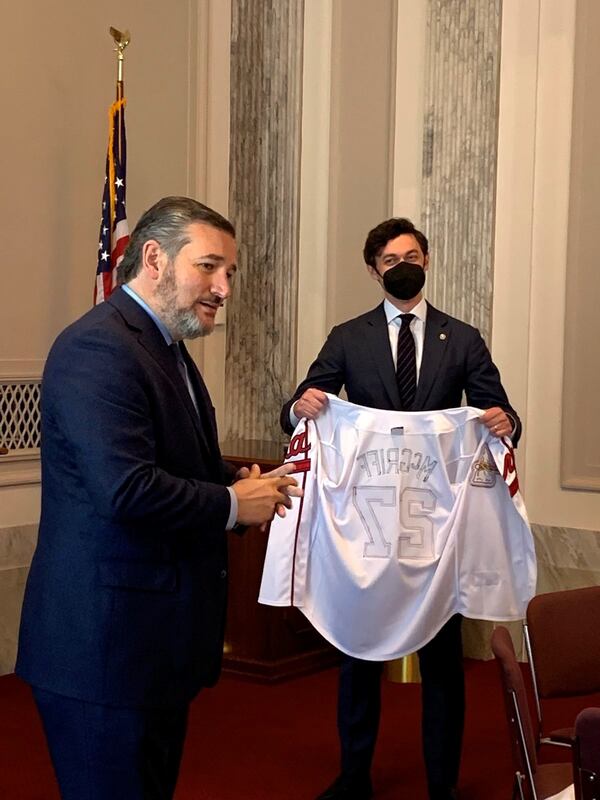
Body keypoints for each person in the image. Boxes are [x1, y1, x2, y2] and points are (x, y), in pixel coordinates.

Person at [16, 196, 299, 800]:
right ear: (153, 257)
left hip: (150, 648)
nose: (223, 287)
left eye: (230, 274)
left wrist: (236, 485)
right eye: (209, 267)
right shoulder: (99, 347)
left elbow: (164, 464)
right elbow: (125, 489)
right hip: (102, 649)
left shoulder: (164, 346)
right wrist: (230, 506)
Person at [280, 217, 521, 800]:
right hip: (368, 522)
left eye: (411, 254)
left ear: (428, 260)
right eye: (390, 260)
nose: (402, 265)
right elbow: (302, 406)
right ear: (373, 271)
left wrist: (504, 423)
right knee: (358, 655)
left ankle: (443, 783)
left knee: (442, 661)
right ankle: (354, 775)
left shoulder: (461, 338)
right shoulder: (348, 336)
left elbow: (501, 415)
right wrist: (300, 406)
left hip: (437, 528)